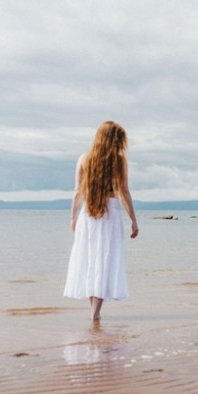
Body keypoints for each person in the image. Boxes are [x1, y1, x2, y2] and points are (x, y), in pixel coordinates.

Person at [64, 121, 139, 321]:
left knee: (91, 261)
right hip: (110, 214)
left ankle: (94, 313)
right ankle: (95, 313)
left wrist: (73, 217)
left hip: (88, 214)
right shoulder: (119, 160)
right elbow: (124, 191)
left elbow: (78, 191)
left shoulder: (84, 158)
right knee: (103, 262)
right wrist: (133, 219)